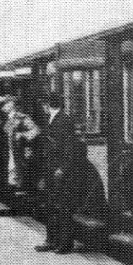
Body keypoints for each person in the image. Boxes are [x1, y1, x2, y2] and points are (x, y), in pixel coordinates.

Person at [35, 93, 81, 254]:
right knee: (50, 206)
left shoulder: (65, 120)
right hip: (49, 169)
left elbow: (70, 147)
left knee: (63, 207)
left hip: (60, 171)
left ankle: (65, 243)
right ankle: (51, 240)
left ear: (48, 104)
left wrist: (63, 168)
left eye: (43, 104)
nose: (42, 107)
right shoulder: (51, 119)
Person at [0, 95, 40, 195]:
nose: (2, 107)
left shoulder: (22, 117)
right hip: (10, 155)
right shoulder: (5, 120)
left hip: (20, 155)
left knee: (20, 186)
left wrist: (22, 134)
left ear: (11, 104)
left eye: (4, 104)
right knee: (12, 185)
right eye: (1, 105)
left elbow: (36, 131)